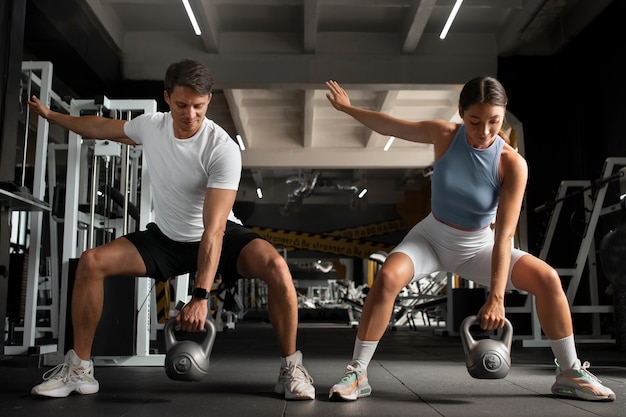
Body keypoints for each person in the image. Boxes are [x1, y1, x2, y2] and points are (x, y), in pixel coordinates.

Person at [27, 59, 315, 400]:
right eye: (181, 105)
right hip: (166, 238)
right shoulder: (151, 127)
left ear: (209, 101)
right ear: (167, 98)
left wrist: (200, 297)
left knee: (276, 267)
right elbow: (100, 127)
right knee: (91, 262)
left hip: (219, 237)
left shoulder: (221, 149)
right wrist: (51, 116)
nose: (190, 114)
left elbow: (214, 230)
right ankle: (79, 369)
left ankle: (290, 367)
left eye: (198, 106)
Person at [324, 77, 616, 402]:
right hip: (431, 239)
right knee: (388, 277)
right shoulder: (445, 135)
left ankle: (569, 372)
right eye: (475, 121)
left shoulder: (512, 164)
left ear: (504, 114)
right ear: (461, 113)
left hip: (480, 246)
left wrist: (497, 298)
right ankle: (358, 373)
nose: (485, 131)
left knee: (547, 279)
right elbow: (391, 126)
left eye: (495, 121)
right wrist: (349, 110)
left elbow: (504, 236)